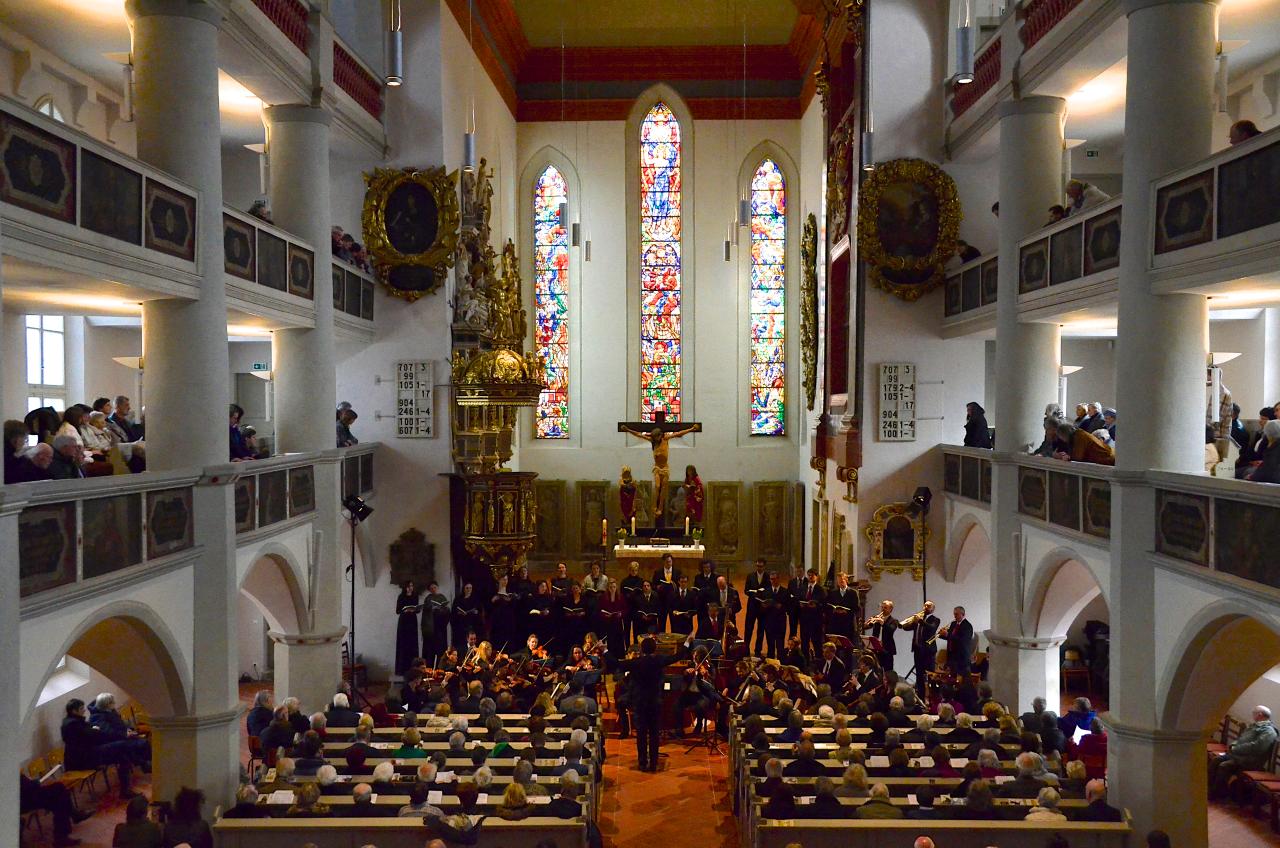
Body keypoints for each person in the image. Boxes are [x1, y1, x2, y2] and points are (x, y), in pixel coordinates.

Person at [616, 635, 686, 771]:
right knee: (654, 734)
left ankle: (642, 763)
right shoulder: (659, 660)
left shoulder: (636, 662)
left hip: (640, 703)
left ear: (642, 649)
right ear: (655, 649)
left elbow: (617, 664)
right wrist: (687, 644)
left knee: (641, 735)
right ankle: (653, 763)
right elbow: (677, 656)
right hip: (655, 703)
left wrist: (605, 651)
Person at [61, 698, 138, 799]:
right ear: (74, 711)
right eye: (81, 709)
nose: (84, 710)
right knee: (122, 745)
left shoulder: (76, 721)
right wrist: (95, 730)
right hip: (82, 759)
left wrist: (94, 730)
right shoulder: (72, 724)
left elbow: (91, 732)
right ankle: (139, 763)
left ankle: (125, 790)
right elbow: (89, 736)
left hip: (90, 753)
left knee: (122, 755)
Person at [1210, 704, 1278, 798]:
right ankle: (1209, 787)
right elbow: (1241, 738)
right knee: (1216, 760)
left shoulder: (1269, 731)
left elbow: (1257, 747)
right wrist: (1234, 744)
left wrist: (1236, 748)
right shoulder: (1254, 726)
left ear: (1260, 714)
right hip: (1238, 755)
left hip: (1249, 760)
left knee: (1224, 766)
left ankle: (1217, 793)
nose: (1252, 715)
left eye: (1254, 713)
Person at [20, 772, 88, 846]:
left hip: (27, 796)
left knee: (58, 797)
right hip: (24, 800)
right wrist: (38, 782)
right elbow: (26, 788)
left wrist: (38, 783)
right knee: (59, 790)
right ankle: (63, 832)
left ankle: (62, 836)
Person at [743, 558, 770, 655]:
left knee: (761, 630)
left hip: (763, 607)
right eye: (757, 566)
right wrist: (753, 593)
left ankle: (757, 651)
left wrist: (763, 594)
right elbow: (746, 590)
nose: (759, 568)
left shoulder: (767, 577)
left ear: (764, 566)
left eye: (761, 566)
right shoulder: (750, 576)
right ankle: (745, 650)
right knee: (748, 628)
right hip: (752, 605)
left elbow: (769, 590)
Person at [937, 605, 974, 675]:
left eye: (956, 614)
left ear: (963, 614)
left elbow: (963, 641)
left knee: (960, 679)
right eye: (954, 614)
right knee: (951, 677)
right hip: (951, 655)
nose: (954, 616)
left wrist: (947, 634)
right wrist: (940, 634)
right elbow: (950, 638)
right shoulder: (953, 624)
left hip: (961, 657)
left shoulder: (967, 626)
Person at [1249, 420, 1280, 484]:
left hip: (1273, 483)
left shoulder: (1273, 448)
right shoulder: (1274, 444)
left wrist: (1252, 477)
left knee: (1244, 472)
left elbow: (1269, 470)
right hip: (1271, 478)